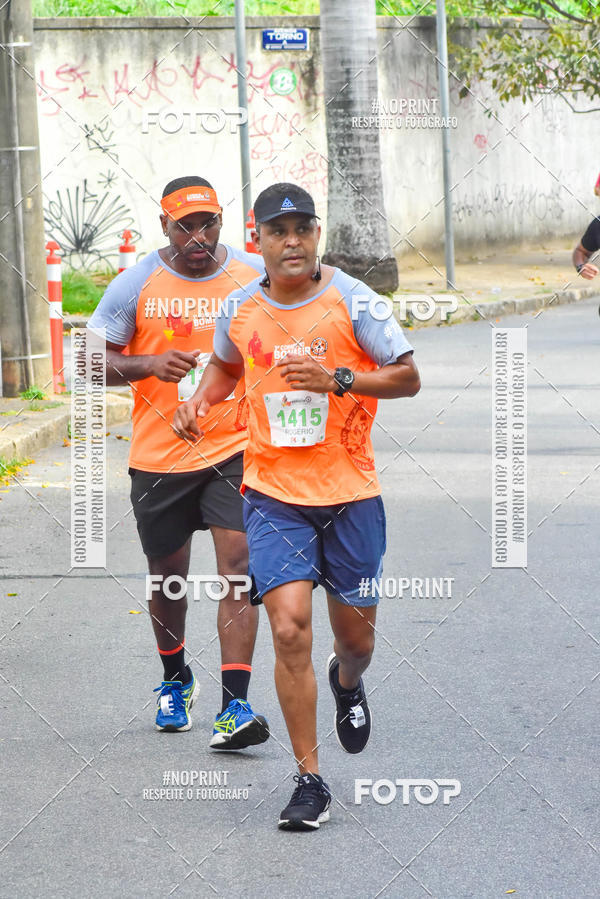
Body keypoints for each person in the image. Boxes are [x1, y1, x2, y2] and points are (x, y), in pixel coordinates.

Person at [173, 182, 420, 830]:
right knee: (288, 630)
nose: (292, 241)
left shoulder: (354, 300)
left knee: (356, 639)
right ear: (257, 240)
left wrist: (340, 379)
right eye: (278, 231)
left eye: (303, 229)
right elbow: (226, 367)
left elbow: (407, 376)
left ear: (317, 235)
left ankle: (347, 680)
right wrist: (199, 400)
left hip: (351, 494)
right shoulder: (240, 306)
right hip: (273, 494)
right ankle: (310, 779)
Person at [88, 175, 270, 748]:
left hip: (234, 449)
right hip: (160, 456)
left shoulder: (252, 274)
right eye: (185, 226)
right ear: (164, 225)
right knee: (168, 579)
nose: (198, 236)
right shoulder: (135, 283)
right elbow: (87, 363)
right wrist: (147, 365)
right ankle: (175, 679)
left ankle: (234, 706)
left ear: (222, 222)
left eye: (207, 223)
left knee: (238, 567)